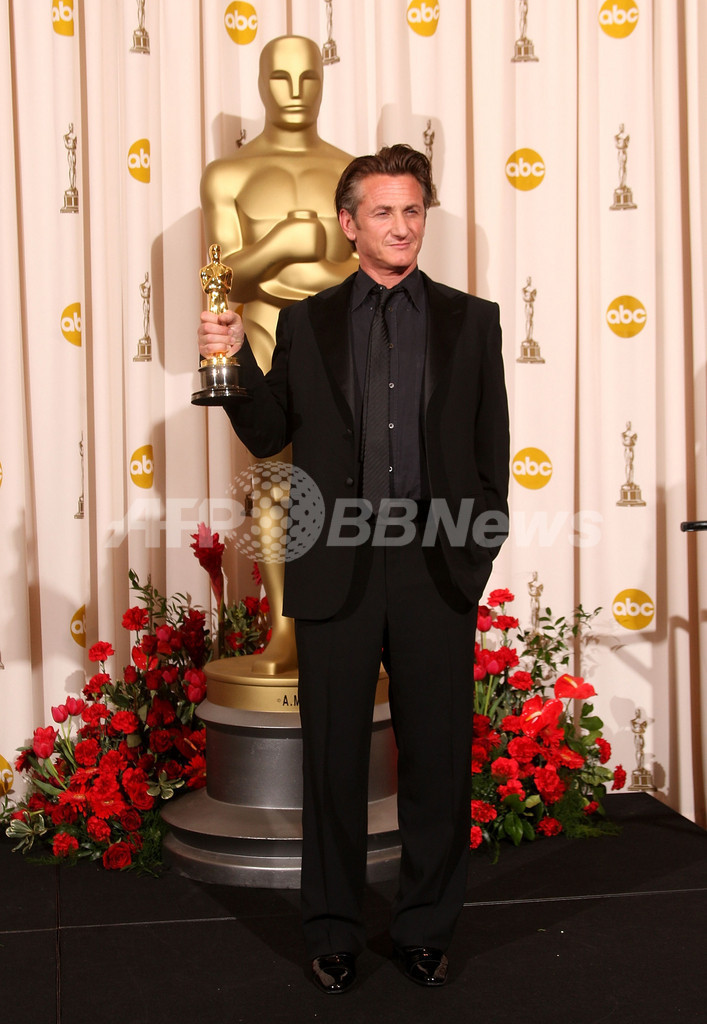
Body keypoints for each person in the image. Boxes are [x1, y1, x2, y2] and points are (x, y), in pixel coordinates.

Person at [197, 143, 509, 993]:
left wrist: (471, 557)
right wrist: (233, 359)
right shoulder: (308, 322)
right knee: (332, 761)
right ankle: (332, 929)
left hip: (435, 567)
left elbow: (491, 455)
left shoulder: (473, 321)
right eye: (383, 212)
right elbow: (270, 433)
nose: (401, 226)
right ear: (349, 223)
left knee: (437, 760)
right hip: (336, 565)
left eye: (412, 210)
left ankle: (424, 928)